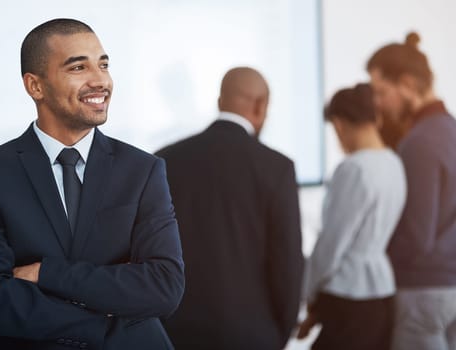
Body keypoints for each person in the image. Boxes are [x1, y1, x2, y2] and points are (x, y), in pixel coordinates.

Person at [0, 18, 184, 350]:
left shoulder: (143, 170)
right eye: (78, 67)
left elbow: (164, 287)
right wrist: (102, 320)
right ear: (35, 86)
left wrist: (45, 275)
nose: (100, 80)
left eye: (103, 65)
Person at [156, 67, 304, 350]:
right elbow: (287, 263)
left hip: (175, 332)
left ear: (219, 101)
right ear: (261, 106)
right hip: (251, 334)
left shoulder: (164, 160)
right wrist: (279, 332)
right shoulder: (277, 168)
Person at [297, 83, 407, 349]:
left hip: (348, 295)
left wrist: (307, 295)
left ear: (339, 124)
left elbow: (333, 243)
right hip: (382, 292)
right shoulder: (394, 163)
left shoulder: (353, 169)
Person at [367, 32, 456, 350]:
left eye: (381, 92)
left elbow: (416, 236)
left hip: (422, 291)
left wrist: (371, 260)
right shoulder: (451, 130)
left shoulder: (419, 142)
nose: (377, 104)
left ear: (407, 83)